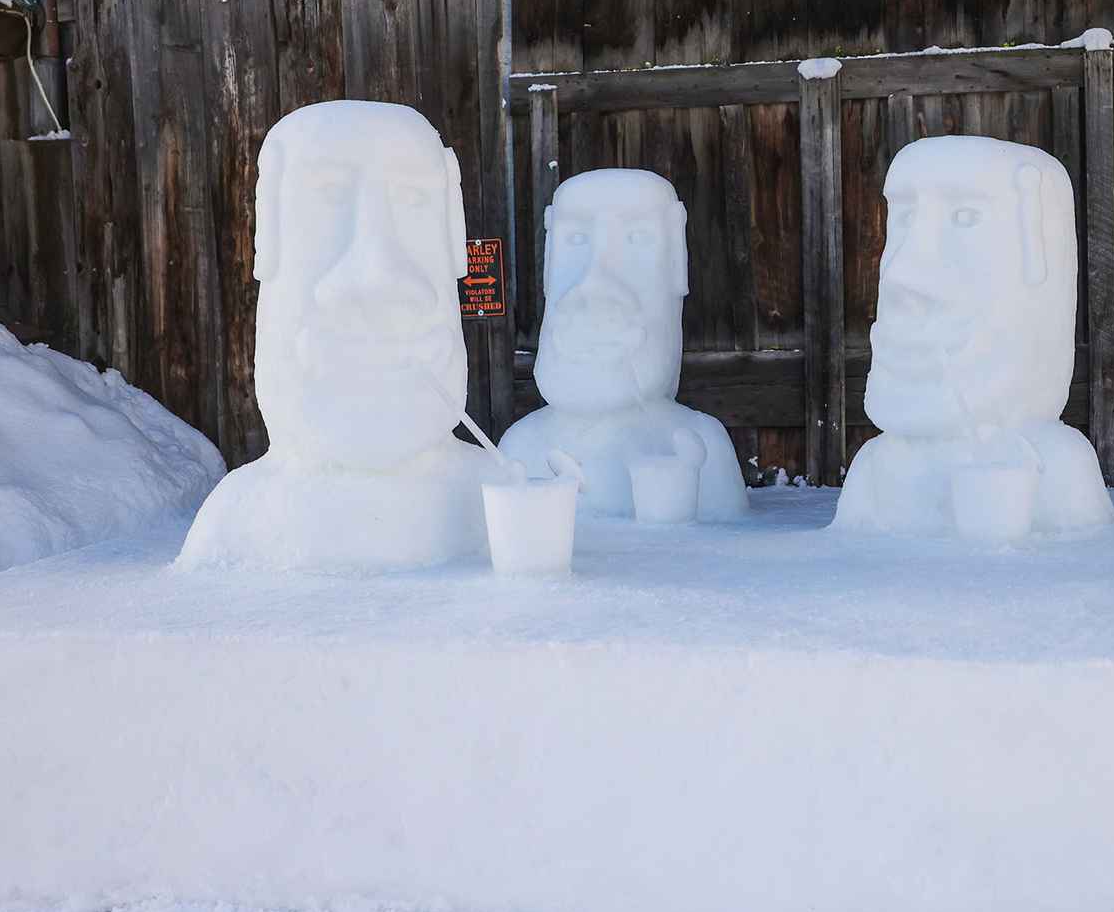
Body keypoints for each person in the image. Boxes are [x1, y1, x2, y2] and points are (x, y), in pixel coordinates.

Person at [178, 101, 493, 573]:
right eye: (327, 197)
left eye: (413, 199)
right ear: (268, 233)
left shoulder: (500, 507)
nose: (378, 278)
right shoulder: (236, 525)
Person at [834, 135, 1114, 536]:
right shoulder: (875, 470)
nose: (900, 272)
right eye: (905, 219)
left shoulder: (1051, 465)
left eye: (964, 217)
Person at [501, 169, 747, 521]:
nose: (594, 283)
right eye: (576, 240)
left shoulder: (701, 448)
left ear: (677, 263)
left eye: (637, 238)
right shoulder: (521, 446)